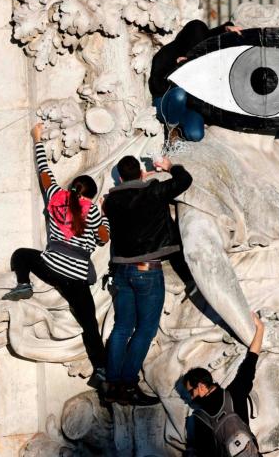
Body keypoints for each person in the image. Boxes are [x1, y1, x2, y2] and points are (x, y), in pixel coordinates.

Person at [2, 123, 110, 383]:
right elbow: (103, 239)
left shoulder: (56, 196)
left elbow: (44, 172)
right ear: (92, 195)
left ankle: (24, 284)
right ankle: (102, 370)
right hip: (75, 277)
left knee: (21, 255)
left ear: (73, 186)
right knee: (89, 327)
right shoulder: (93, 210)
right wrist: (104, 216)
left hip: (50, 266)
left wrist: (37, 140)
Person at [102, 154, 192, 405]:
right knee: (145, 329)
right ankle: (128, 385)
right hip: (146, 269)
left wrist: (142, 179)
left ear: (120, 177)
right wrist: (169, 166)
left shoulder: (112, 200)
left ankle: (111, 384)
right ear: (141, 174)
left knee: (121, 328)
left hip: (121, 270)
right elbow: (184, 180)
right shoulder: (153, 192)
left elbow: (127, 195)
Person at [183, 313, 265, 457]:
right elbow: (251, 360)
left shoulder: (200, 418)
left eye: (191, 392)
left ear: (201, 386)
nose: (190, 398)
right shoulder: (234, 392)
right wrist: (260, 329)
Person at [148, 19, 242, 141]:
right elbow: (156, 86)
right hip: (166, 103)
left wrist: (226, 28)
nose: (197, 48)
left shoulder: (201, 53)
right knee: (179, 94)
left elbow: (208, 36)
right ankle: (171, 129)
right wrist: (176, 69)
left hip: (190, 105)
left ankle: (181, 128)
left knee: (196, 134)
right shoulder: (167, 53)